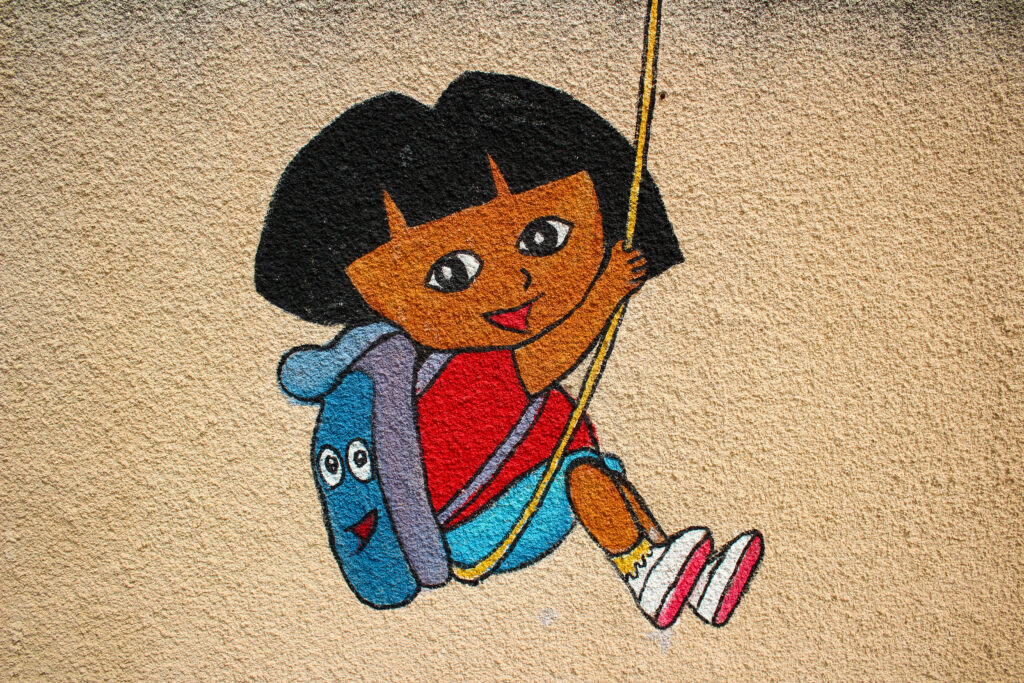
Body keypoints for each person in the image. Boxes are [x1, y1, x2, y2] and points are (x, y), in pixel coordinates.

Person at [255, 72, 762, 628]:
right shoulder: (463, 375)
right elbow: (551, 355)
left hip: (506, 492)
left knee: (602, 479)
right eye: (451, 273)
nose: (513, 282)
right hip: (480, 522)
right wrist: (606, 290)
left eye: (542, 238)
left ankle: (691, 579)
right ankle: (644, 569)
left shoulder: (450, 368)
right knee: (582, 480)